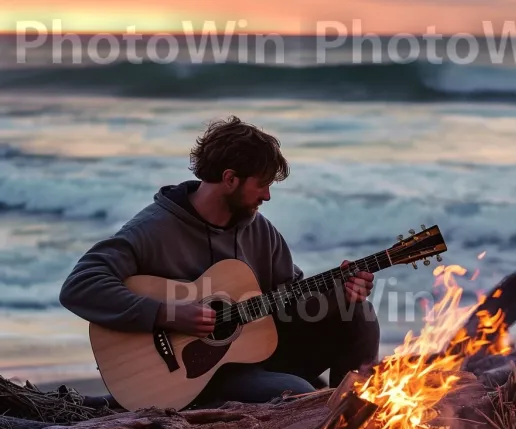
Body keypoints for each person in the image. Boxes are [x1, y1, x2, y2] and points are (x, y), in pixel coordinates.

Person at [59, 116, 380, 408]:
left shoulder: (260, 231)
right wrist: (168, 314)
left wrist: (338, 291)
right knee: (296, 393)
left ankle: (353, 423)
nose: (267, 196)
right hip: (189, 377)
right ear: (230, 179)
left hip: (255, 352)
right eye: (262, 184)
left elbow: (289, 299)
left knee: (357, 310)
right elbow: (80, 286)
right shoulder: (153, 231)